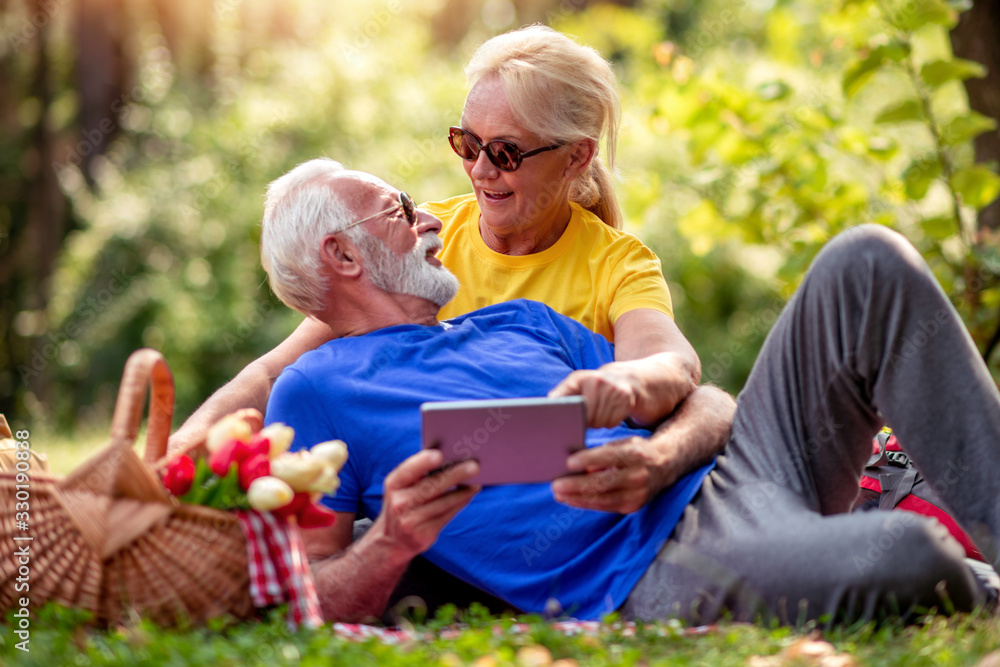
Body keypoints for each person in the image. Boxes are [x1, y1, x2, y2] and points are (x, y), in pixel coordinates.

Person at [262, 161, 1000, 625]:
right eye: (398, 206)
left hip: (741, 470)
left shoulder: (520, 321)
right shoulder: (315, 392)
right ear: (342, 253)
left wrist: (652, 443)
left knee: (865, 260)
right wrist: (392, 540)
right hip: (657, 564)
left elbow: (710, 402)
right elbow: (308, 592)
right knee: (907, 551)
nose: (429, 217)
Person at [168, 25, 697, 461]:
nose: (479, 170)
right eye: (466, 143)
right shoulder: (423, 240)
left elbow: (667, 363)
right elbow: (272, 372)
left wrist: (625, 385)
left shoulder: (619, 265)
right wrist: (170, 462)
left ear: (577, 157)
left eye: (506, 152)